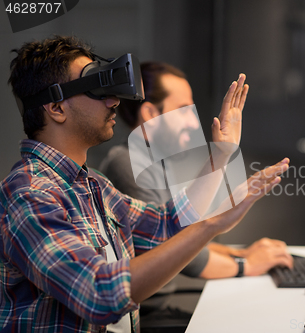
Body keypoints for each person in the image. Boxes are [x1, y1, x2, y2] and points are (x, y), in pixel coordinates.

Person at [0, 35, 289, 332]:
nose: (113, 101)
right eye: (96, 90)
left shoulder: (94, 186)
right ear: (56, 107)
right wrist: (211, 225)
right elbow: (99, 293)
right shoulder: (28, 195)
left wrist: (220, 156)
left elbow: (166, 225)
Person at [100, 61, 293, 281]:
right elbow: (172, 248)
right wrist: (246, 264)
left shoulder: (156, 163)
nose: (194, 122)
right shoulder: (128, 165)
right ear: (151, 113)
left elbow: (179, 234)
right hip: (156, 311)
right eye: (183, 111)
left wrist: (240, 253)